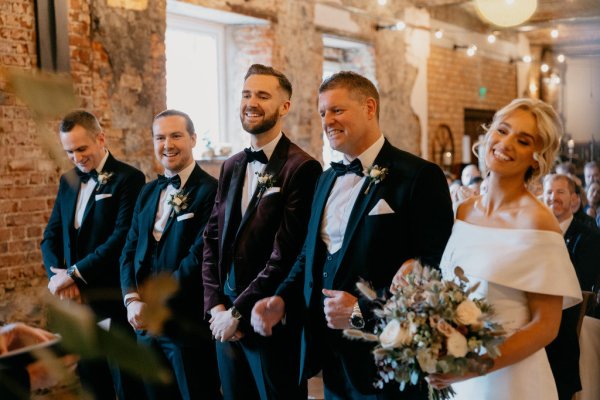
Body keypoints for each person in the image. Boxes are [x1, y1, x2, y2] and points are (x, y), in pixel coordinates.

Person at [251, 71, 454, 399]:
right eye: (322, 113)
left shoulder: (419, 176)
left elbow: (433, 265)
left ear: (370, 108)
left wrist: (363, 311)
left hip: (388, 356)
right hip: (330, 353)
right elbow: (311, 253)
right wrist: (281, 299)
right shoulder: (326, 178)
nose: (327, 120)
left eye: (337, 110)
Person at [427, 98, 582, 400]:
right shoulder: (464, 210)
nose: (506, 143)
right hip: (456, 375)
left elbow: (546, 326)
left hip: (508, 379)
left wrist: (474, 366)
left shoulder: (537, 221)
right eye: (502, 130)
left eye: (523, 140)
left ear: (536, 158)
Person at [202, 64, 322, 400]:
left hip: (266, 320)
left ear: (284, 107)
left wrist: (239, 313)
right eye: (246, 94)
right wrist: (216, 308)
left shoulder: (302, 168)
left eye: (262, 95)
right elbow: (211, 239)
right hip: (223, 321)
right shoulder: (231, 165)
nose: (251, 102)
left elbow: (287, 253)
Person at [40, 110, 145, 399]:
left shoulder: (129, 179)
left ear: (100, 139)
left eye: (81, 148)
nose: (76, 157)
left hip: (111, 299)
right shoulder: (67, 180)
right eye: (69, 151)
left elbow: (120, 239)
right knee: (90, 382)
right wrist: (57, 277)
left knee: (125, 384)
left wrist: (73, 275)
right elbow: (50, 236)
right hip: (76, 303)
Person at [120, 110, 221, 399]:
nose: (168, 144)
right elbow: (129, 250)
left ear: (192, 139)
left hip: (186, 325)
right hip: (145, 327)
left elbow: (198, 255)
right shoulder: (148, 192)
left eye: (176, 135)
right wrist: (131, 300)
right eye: (160, 137)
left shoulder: (211, 191)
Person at [543, 173, 600, 400]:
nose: (553, 197)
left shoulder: (589, 236)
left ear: (574, 199)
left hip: (574, 315)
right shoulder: (535, 232)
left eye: (560, 192)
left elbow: (581, 282)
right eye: (548, 192)